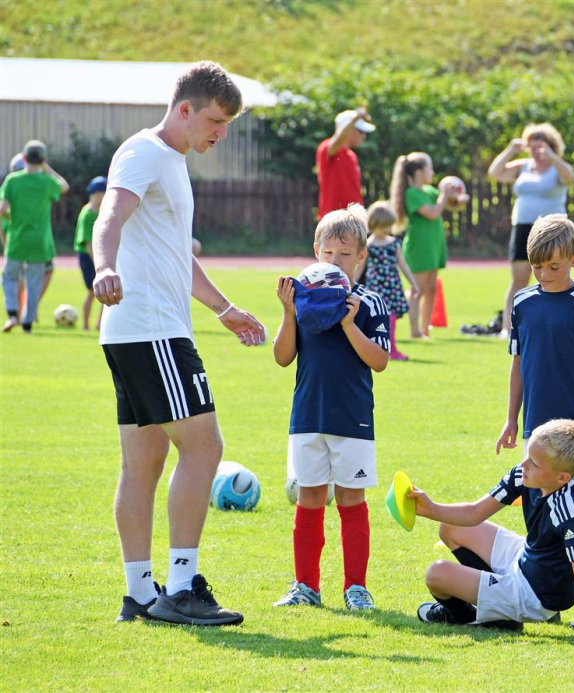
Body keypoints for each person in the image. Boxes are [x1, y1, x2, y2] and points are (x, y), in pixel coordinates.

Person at [92, 61, 265, 625]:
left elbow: (175, 258)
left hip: (138, 331)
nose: (219, 132)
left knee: (144, 462)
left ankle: (140, 593)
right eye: (214, 120)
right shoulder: (144, 152)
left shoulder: (171, 160)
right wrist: (103, 265)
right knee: (205, 447)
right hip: (152, 331)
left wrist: (224, 308)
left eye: (227, 124)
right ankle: (182, 587)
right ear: (184, 109)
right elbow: (110, 214)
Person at [495, 213, 574, 629]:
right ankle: (542, 594)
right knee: (537, 505)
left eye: (554, 267)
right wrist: (512, 419)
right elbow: (518, 364)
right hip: (536, 428)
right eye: (537, 267)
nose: (545, 274)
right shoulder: (523, 302)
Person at [272, 205, 391, 610]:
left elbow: (379, 360)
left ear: (361, 258)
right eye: (327, 254)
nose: (334, 262)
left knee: (351, 501)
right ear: (315, 252)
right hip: (307, 415)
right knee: (308, 499)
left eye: (344, 255)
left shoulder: (370, 302)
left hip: (352, 418)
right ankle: (305, 586)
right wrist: (289, 314)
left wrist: (348, 324)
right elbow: (282, 357)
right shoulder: (303, 298)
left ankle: (356, 588)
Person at [411, 419, 574, 642]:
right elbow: (475, 512)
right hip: (526, 559)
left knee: (437, 574)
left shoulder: (567, 509)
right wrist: (431, 509)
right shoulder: (525, 475)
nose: (523, 465)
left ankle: (467, 615)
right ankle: (498, 609)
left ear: (562, 478)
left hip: (535, 595)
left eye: (534, 463)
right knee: (452, 527)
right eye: (527, 455)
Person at [487, 123, 574, 338]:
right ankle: (508, 327)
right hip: (523, 226)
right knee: (519, 278)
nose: (536, 152)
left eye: (541, 147)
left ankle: (553, 323)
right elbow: (495, 172)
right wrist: (510, 150)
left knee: (553, 275)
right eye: (532, 147)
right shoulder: (523, 166)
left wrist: (552, 157)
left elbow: (570, 178)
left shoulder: (557, 167)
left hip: (551, 229)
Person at [391, 153, 466, 339]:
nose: (432, 172)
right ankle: (414, 330)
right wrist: (443, 196)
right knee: (418, 290)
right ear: (418, 172)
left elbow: (450, 205)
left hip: (433, 246)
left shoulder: (430, 192)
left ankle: (425, 329)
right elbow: (432, 213)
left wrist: (457, 198)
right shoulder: (412, 193)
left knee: (431, 288)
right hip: (420, 247)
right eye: (429, 168)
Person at [0, 140, 69, 333]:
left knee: (10, 278)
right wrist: (47, 169)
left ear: (23, 158)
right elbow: (64, 186)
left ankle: (12, 314)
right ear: (43, 160)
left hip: (17, 238)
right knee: (34, 284)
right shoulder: (47, 182)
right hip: (39, 241)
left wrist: (10, 217)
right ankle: (27, 323)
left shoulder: (12, 180)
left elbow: (2, 209)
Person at [362, 201, 417, 360]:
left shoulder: (393, 244)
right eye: (384, 226)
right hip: (375, 286)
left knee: (391, 317)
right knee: (376, 317)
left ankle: (391, 348)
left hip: (392, 285)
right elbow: (360, 267)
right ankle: (375, 347)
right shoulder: (368, 245)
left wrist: (413, 284)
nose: (387, 229)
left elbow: (403, 265)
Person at [316, 107, 375, 219]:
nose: (364, 136)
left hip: (353, 219)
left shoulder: (352, 155)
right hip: (333, 220)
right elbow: (338, 141)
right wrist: (354, 119)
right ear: (348, 129)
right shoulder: (326, 148)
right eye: (360, 131)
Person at [74, 176, 107, 330]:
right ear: (98, 193)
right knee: (91, 291)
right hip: (89, 257)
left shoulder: (102, 213)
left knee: (105, 292)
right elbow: (88, 243)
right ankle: (86, 325)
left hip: (99, 257)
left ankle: (100, 324)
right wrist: (99, 265)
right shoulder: (88, 214)